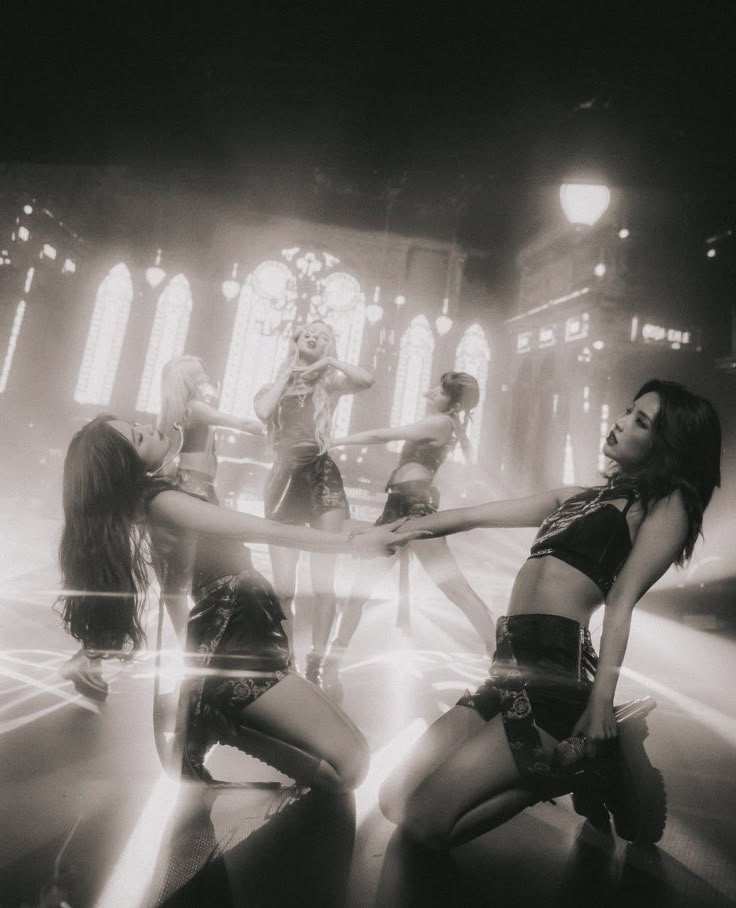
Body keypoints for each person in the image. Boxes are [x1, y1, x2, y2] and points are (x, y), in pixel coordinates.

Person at [356, 379, 721, 847]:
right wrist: (396, 530)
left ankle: (570, 774)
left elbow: (622, 601)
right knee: (392, 801)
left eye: (641, 422)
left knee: (426, 823)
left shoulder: (665, 504)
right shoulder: (577, 495)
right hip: (507, 668)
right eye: (629, 410)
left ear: (665, 446)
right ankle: (560, 766)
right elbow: (471, 516)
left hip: (557, 679)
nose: (621, 421)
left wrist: (601, 703)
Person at [56, 415, 423, 789]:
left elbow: (175, 589)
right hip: (234, 640)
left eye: (137, 423)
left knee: (354, 760)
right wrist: (356, 543)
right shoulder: (163, 501)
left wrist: (195, 671)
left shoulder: (157, 501)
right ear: (127, 466)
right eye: (138, 436)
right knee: (352, 765)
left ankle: (217, 718)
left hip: (242, 632)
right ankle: (222, 722)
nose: (148, 427)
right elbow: (262, 530)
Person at [59, 356, 264, 696]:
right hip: (191, 497)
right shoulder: (194, 407)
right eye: (200, 374)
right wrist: (253, 425)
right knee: (189, 586)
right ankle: (198, 666)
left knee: (179, 588)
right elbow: (230, 420)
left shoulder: (171, 414)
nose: (207, 378)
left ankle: (93, 655)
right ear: (187, 381)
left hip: (191, 496)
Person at [326, 372, 496, 687]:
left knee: (455, 589)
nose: (430, 391)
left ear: (453, 401)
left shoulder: (442, 424)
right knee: (359, 592)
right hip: (397, 507)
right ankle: (331, 663)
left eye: (440, 390)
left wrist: (337, 440)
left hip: (415, 507)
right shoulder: (446, 422)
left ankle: (501, 657)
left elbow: (383, 435)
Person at [254, 321, 374, 685]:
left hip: (322, 477)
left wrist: (330, 362)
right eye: (308, 331)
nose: (313, 336)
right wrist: (291, 371)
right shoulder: (271, 386)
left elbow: (366, 380)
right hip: (284, 480)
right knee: (285, 588)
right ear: (295, 339)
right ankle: (285, 662)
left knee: (324, 582)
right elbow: (263, 411)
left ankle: (316, 661)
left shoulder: (330, 386)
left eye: (323, 335)